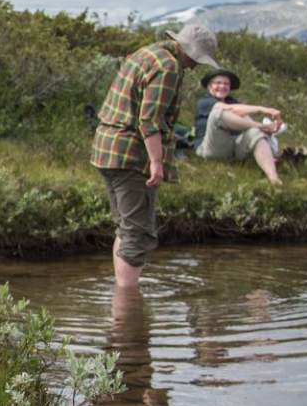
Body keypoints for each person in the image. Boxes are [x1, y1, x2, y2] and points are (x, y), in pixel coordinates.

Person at [90, 19, 223, 289]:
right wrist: (156, 162)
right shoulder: (169, 67)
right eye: (198, 59)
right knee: (137, 232)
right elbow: (149, 120)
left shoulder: (147, 52)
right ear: (189, 51)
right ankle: (128, 307)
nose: (196, 66)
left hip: (107, 148)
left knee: (126, 227)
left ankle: (122, 294)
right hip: (130, 154)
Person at [192, 70, 291, 185]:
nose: (222, 86)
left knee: (255, 132)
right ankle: (263, 128)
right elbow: (230, 109)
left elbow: (245, 118)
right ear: (209, 86)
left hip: (233, 149)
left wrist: (262, 129)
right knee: (218, 113)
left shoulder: (232, 101)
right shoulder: (205, 102)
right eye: (218, 83)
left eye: (226, 84)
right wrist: (262, 112)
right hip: (210, 148)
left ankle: (273, 178)